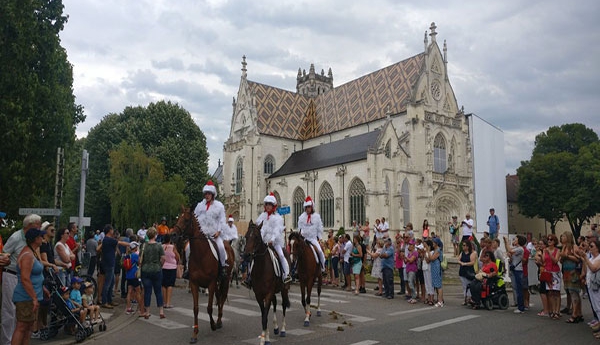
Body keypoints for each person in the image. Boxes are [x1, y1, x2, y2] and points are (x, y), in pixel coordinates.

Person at [10, 226, 45, 345]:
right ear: (35, 239)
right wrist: (34, 297)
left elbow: (35, 276)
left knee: (28, 327)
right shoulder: (27, 255)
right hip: (25, 297)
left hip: (32, 295)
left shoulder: (32, 252)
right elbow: (25, 278)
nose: (42, 238)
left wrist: (42, 288)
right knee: (22, 327)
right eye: (41, 236)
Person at [194, 180, 233, 277]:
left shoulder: (219, 206)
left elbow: (222, 219)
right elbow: (195, 218)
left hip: (214, 234)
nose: (207, 196)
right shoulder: (199, 206)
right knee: (189, 248)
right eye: (206, 194)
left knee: (221, 247)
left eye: (209, 194)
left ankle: (223, 267)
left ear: (212, 195)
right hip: (201, 235)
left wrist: (219, 231)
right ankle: (188, 268)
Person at [256, 192, 291, 283]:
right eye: (266, 204)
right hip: (264, 243)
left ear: (273, 206)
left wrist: (272, 240)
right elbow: (261, 230)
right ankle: (249, 277)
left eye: (270, 205)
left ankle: (286, 274)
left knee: (281, 255)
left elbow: (277, 230)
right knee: (254, 256)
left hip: (274, 243)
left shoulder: (277, 218)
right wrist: (261, 238)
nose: (268, 206)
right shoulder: (262, 217)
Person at [97, 224, 129, 309]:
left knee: (111, 282)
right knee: (108, 283)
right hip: (109, 263)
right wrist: (129, 244)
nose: (113, 231)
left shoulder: (104, 240)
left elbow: (99, 248)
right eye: (112, 230)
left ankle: (109, 300)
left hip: (105, 262)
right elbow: (120, 242)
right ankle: (105, 301)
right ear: (109, 231)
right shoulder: (110, 240)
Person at [139, 227, 166, 319]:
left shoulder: (143, 246)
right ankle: (161, 311)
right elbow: (163, 258)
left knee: (147, 291)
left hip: (145, 270)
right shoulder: (159, 246)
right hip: (156, 269)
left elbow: (140, 260)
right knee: (158, 291)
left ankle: (147, 312)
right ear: (155, 235)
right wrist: (160, 265)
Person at [297, 196, 326, 272]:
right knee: (298, 251)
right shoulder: (301, 217)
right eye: (306, 207)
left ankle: (323, 267)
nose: (307, 209)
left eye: (309, 207)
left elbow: (319, 229)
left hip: (313, 239)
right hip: (304, 239)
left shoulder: (316, 217)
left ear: (312, 207)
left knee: (319, 251)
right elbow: (300, 228)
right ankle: (296, 268)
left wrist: (320, 239)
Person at [504, 235, 526, 314]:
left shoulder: (520, 249)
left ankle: (521, 308)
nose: (514, 240)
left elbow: (510, 250)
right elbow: (510, 253)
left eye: (516, 239)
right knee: (516, 288)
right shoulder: (516, 249)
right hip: (515, 269)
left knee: (519, 289)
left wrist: (506, 241)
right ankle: (520, 305)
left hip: (518, 270)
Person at [124, 242, 142, 316]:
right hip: (134, 275)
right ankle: (141, 308)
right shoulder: (135, 255)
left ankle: (128, 308)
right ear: (135, 248)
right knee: (138, 291)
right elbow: (139, 263)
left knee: (129, 292)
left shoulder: (127, 256)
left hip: (128, 275)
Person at [161, 234, 179, 309]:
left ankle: (164, 302)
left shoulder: (161, 246)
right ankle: (168, 302)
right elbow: (177, 256)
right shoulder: (173, 247)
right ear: (170, 240)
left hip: (163, 267)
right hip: (172, 267)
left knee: (164, 285)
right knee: (170, 285)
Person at [431, 237, 445, 307]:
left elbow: (432, 258)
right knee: (436, 284)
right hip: (434, 268)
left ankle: (440, 301)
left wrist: (427, 250)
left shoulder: (438, 250)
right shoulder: (435, 250)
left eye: (433, 242)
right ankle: (439, 299)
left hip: (437, 267)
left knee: (439, 285)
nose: (432, 243)